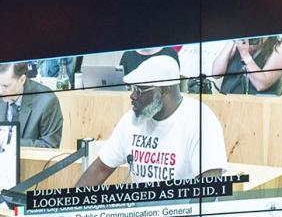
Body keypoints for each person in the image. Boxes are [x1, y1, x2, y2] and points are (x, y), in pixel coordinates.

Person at [76, 54, 227, 187]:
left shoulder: (201, 121)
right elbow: (100, 168)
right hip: (141, 215)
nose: (133, 96)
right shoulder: (131, 120)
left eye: (140, 90)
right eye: (132, 89)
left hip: (184, 215)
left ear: (163, 90)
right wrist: (69, 207)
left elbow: (209, 187)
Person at [0, 62, 63, 148]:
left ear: (22, 80)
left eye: (5, 86)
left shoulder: (47, 101)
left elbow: (50, 145)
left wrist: (9, 141)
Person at [210, 36, 282, 95]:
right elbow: (216, 73)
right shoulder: (239, 43)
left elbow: (261, 85)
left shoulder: (280, 48)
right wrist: (232, 41)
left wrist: (245, 55)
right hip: (227, 102)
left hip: (256, 107)